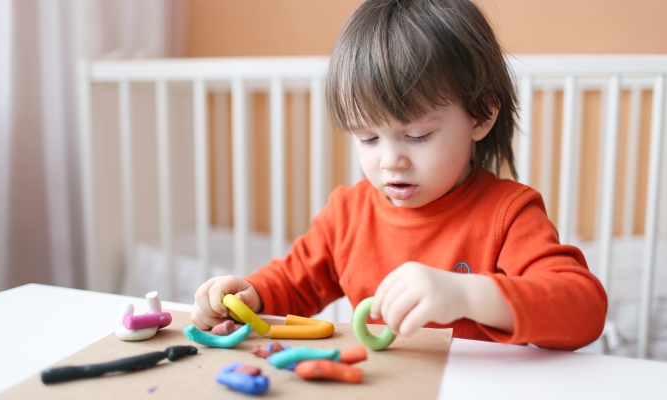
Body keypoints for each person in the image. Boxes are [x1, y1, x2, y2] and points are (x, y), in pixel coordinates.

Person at [191, 0, 607, 350]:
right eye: (368, 138)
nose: (391, 160)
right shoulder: (347, 214)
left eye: (417, 135)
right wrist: (248, 295)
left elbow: (584, 308)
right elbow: (291, 283)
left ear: (481, 114)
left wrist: (467, 295)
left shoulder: (508, 214)